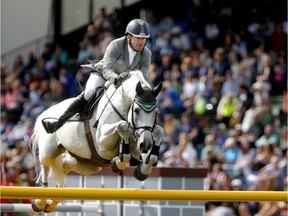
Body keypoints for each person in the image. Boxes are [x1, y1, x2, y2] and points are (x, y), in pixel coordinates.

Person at [42, 19, 151, 134]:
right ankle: (58, 123)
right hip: (104, 74)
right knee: (90, 92)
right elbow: (107, 69)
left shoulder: (147, 54)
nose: (141, 42)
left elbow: (142, 77)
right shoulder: (116, 45)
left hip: (126, 82)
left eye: (144, 38)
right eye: (138, 38)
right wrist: (115, 78)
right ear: (129, 37)